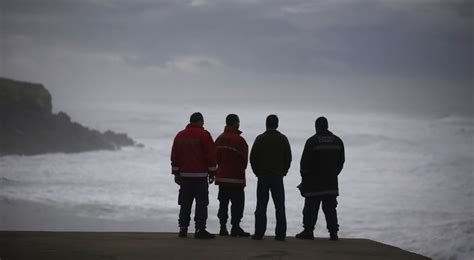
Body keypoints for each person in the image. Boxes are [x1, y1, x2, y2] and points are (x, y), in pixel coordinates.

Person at [296, 116, 345, 241]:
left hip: (314, 184)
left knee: (311, 209)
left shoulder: (312, 141)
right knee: (330, 209)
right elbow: (341, 162)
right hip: (331, 183)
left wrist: (304, 178)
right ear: (327, 126)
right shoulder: (337, 141)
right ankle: (333, 233)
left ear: (317, 126)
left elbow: (304, 163)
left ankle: (308, 231)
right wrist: (334, 174)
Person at [171, 112, 217, 239]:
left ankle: (183, 228)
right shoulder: (204, 135)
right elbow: (210, 155)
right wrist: (212, 172)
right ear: (200, 121)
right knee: (201, 204)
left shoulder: (180, 135)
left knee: (185, 203)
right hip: (200, 177)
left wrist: (176, 173)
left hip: (185, 177)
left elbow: (175, 155)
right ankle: (199, 229)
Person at [250, 114, 292, 241]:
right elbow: (288, 158)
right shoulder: (283, 139)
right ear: (277, 124)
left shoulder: (260, 139)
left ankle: (259, 233)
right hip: (277, 177)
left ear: (266, 124)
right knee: (280, 206)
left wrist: (257, 172)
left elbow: (253, 158)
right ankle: (280, 234)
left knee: (261, 205)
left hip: (263, 176)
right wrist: (283, 172)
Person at [215, 114, 250, 237]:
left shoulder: (219, 138)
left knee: (223, 203)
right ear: (235, 123)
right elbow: (245, 161)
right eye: (238, 122)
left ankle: (222, 227)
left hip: (222, 178)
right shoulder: (240, 141)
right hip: (236, 179)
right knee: (237, 204)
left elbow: (214, 158)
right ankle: (235, 227)